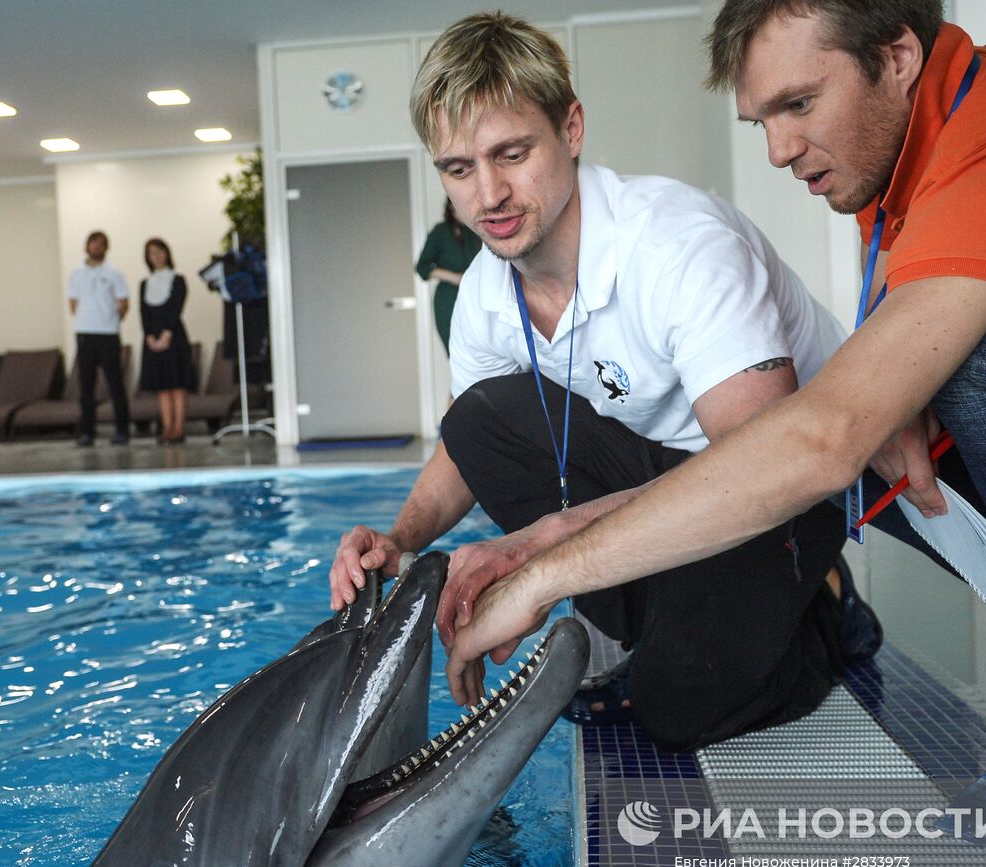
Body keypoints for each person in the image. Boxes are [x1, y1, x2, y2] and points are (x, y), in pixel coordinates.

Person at [445, 0, 986, 781]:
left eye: (798, 105)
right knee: (889, 436)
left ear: (895, 57)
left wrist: (538, 574)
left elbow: (819, 436)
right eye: (763, 121)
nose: (778, 149)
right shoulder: (904, 163)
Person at [330, 12, 881, 752]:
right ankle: (664, 621)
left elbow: (768, 463)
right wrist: (396, 541)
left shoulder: (677, 246)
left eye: (512, 153)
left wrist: (539, 556)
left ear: (572, 129)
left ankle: (826, 606)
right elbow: (467, 450)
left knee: (678, 711)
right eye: (458, 169)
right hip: (662, 480)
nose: (488, 194)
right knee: (476, 418)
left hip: (777, 490)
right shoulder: (486, 297)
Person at [67, 230, 130, 446]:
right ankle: (87, 432)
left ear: (106, 247)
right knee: (86, 385)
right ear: (87, 247)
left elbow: (124, 302)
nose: (97, 247)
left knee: (115, 384)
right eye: (93, 243)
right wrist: (88, 320)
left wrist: (110, 319)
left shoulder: (114, 273)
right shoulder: (76, 273)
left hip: (109, 335)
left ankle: (122, 430)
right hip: (85, 334)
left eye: (101, 244)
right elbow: (73, 304)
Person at [138, 238, 195, 444]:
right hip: (153, 340)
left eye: (160, 251)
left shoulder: (178, 280)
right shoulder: (145, 284)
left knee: (177, 385)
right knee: (162, 386)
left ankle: (179, 428)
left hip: (175, 338)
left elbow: (176, 308)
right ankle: (167, 428)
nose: (156, 256)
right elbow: (143, 313)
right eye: (152, 253)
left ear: (167, 253)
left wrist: (166, 334)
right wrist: (150, 337)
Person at [417, 198, 482, 355]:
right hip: (449, 299)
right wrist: (455, 278)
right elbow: (422, 267)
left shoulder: (477, 230)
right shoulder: (441, 231)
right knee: (457, 352)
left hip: (476, 297)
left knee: (481, 351)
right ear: (451, 206)